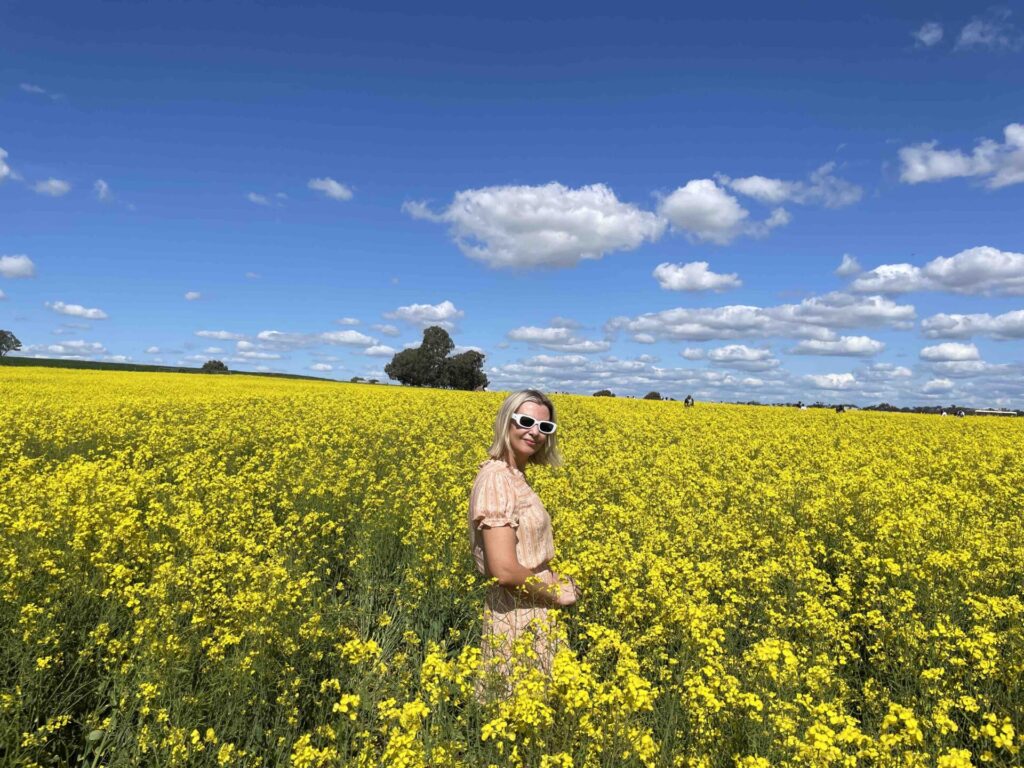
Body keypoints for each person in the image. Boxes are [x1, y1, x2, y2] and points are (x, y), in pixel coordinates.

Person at [468, 389, 581, 692]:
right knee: (521, 708)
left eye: (545, 427)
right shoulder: (497, 479)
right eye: (526, 421)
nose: (535, 432)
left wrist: (552, 578)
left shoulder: (514, 474)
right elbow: (504, 570)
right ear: (507, 422)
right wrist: (555, 593)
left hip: (535, 605)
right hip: (518, 616)